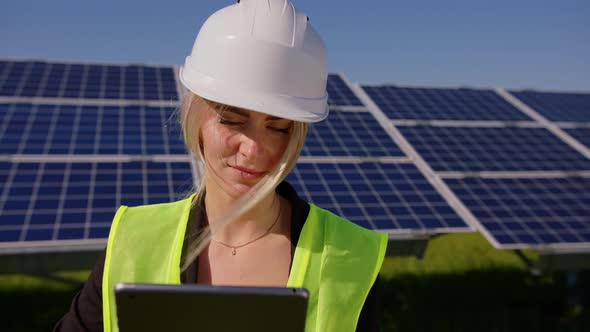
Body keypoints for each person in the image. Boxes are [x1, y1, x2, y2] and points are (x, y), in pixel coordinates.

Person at [54, 0, 387, 331]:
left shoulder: (352, 256)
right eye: (231, 120)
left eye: (279, 127)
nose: (254, 149)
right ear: (196, 115)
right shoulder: (132, 241)